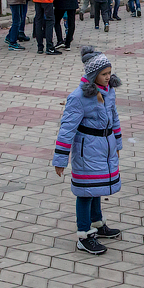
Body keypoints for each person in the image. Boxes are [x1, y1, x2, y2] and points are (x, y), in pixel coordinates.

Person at [53, 47, 123, 255]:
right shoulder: (78, 97)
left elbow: (115, 118)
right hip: (87, 150)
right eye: (104, 74)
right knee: (85, 191)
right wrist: (60, 158)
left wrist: (117, 143)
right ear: (93, 76)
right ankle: (84, 234)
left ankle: (97, 223)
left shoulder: (108, 91)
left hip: (105, 147)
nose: (108, 77)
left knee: (97, 187)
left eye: (110, 73)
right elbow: (67, 128)